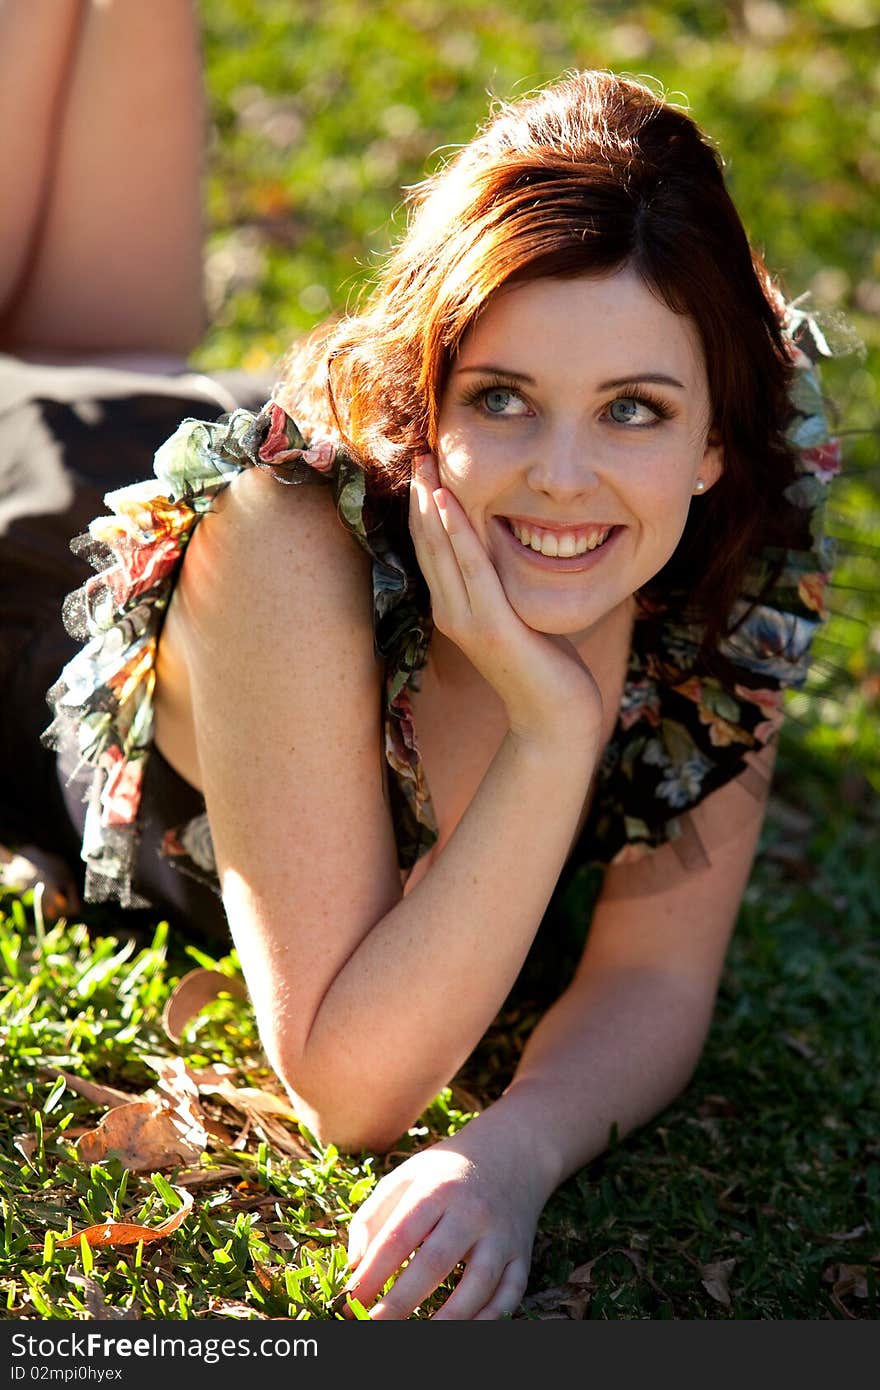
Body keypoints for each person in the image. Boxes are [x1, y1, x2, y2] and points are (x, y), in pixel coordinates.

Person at [1, 1, 842, 1321]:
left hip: (131, 377)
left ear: (714, 440)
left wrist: (513, 1147)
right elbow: (353, 1080)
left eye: (633, 407)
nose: (564, 479)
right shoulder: (289, 547)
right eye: (503, 397)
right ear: (425, 404)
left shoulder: (727, 536)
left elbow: (655, 976)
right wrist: (555, 728)